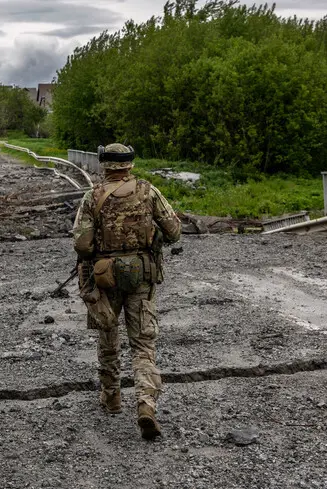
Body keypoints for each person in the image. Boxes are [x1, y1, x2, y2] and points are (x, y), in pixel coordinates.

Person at [72, 143, 181, 440]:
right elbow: (173, 230)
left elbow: (81, 245)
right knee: (143, 344)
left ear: (104, 166)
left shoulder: (92, 196)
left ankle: (112, 398)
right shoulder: (148, 191)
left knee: (108, 334)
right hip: (142, 276)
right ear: (129, 165)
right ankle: (146, 404)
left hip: (105, 277)